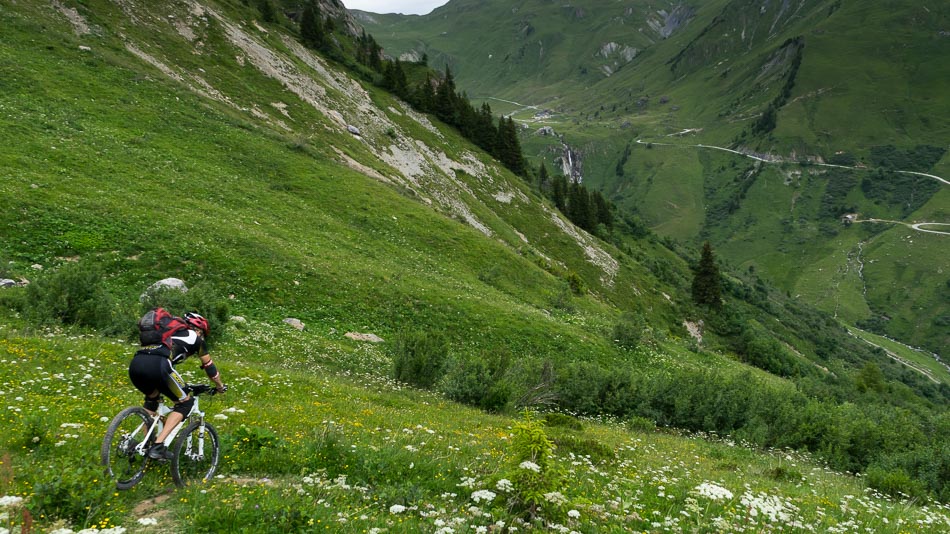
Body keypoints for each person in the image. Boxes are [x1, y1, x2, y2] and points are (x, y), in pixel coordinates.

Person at [128, 312, 226, 460]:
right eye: (203, 334)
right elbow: (209, 367)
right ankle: (158, 446)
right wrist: (219, 386)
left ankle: (144, 443)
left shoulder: (164, 333)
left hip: (136, 363)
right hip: (159, 365)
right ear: (199, 330)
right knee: (185, 403)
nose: (202, 337)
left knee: (152, 401)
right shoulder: (196, 339)